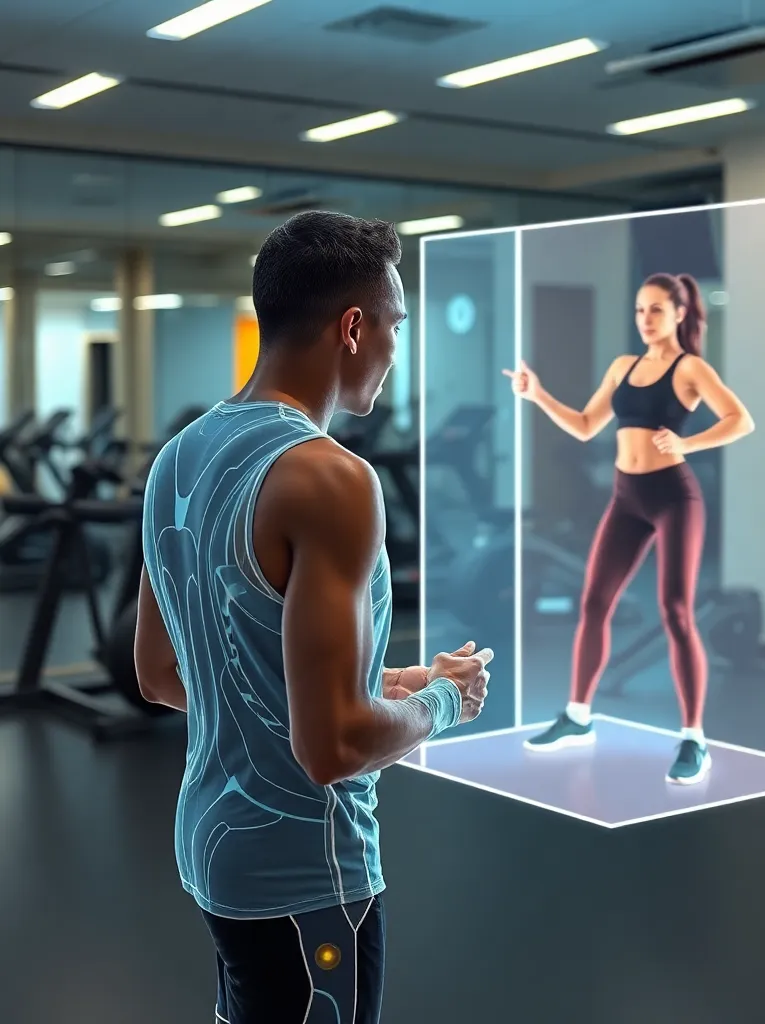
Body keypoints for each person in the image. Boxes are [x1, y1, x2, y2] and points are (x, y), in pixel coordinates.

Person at [133, 210, 494, 1024]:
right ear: (354, 327)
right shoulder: (331, 478)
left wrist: (392, 678)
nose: (396, 350)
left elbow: (165, 672)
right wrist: (443, 702)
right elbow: (332, 747)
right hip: (308, 874)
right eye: (395, 325)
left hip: (214, 851)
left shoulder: (177, 457)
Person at [504, 272, 753, 785]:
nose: (646, 320)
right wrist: (538, 395)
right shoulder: (624, 366)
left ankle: (694, 738)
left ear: (680, 314)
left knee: (676, 611)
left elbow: (739, 419)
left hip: (674, 497)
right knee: (594, 602)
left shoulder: (691, 369)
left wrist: (690, 444)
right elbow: (584, 424)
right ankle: (577, 716)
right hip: (626, 497)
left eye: (656, 310)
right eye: (640, 310)